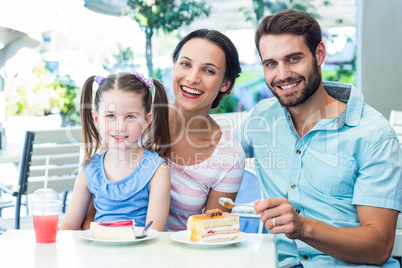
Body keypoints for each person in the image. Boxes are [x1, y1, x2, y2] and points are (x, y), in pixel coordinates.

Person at [232, 10, 402, 267]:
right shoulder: (261, 119)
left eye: (293, 59)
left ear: (319, 54)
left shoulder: (374, 135)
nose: (282, 74)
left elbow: (379, 247)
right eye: (271, 64)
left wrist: (303, 227)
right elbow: (209, 153)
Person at [60, 72, 171, 231]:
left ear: (146, 120)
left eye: (130, 117)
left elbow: (154, 233)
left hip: (143, 253)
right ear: (97, 119)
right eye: (110, 116)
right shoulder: (90, 170)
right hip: (98, 252)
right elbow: (69, 227)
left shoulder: (157, 170)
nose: (119, 126)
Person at [167, 29, 245, 231]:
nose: (193, 78)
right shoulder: (134, 122)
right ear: (174, 66)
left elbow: (211, 233)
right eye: (185, 64)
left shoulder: (230, 156)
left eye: (208, 70)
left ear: (225, 84)